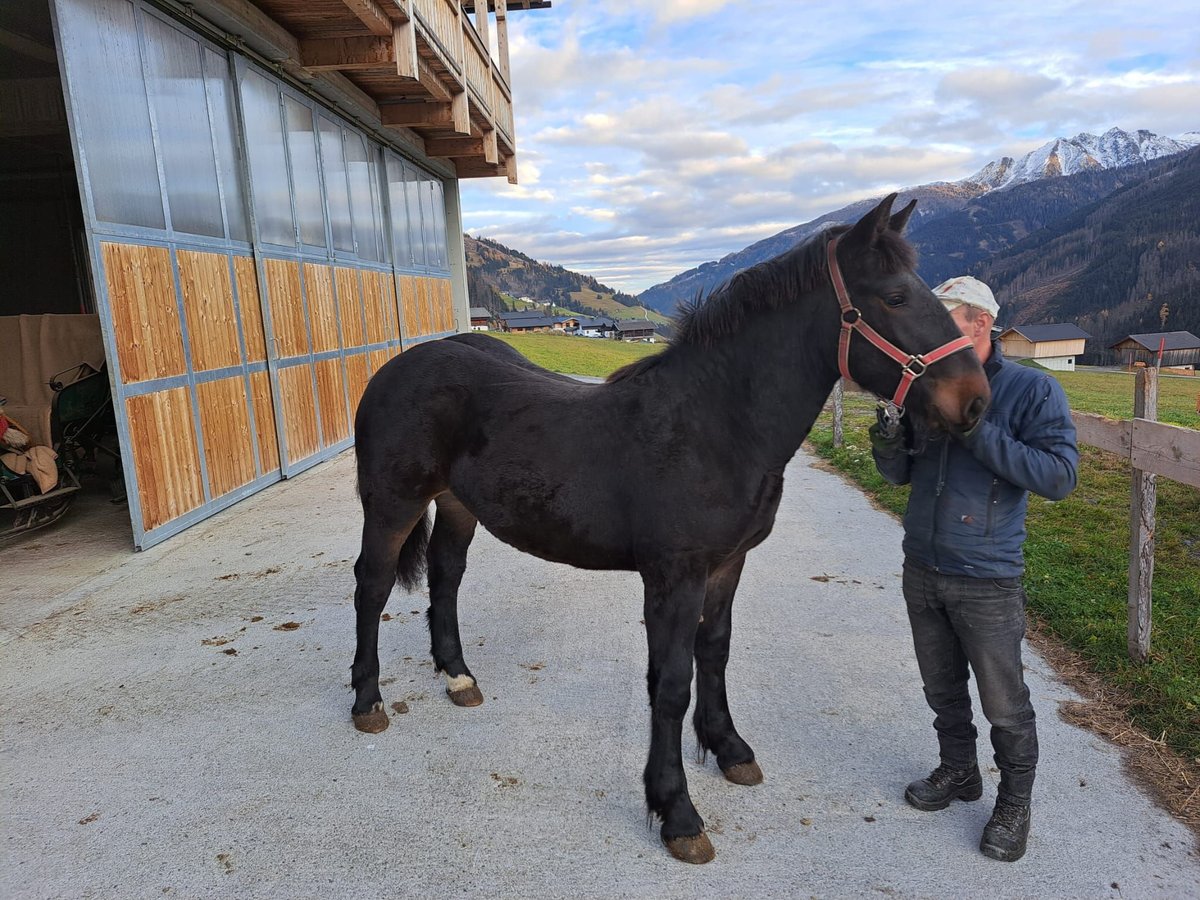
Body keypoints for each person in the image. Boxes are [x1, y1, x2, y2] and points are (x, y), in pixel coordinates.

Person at [869, 275, 1079, 862]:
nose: (929, 334)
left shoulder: (1032, 392)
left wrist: (977, 431)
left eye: (945, 322)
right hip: (923, 566)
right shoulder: (932, 384)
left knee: (1004, 704)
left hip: (986, 577)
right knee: (942, 692)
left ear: (980, 324)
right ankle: (959, 772)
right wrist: (887, 439)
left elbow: (1059, 478)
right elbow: (898, 476)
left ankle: (1015, 803)